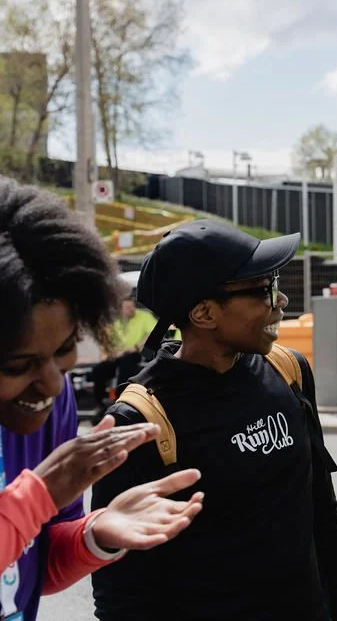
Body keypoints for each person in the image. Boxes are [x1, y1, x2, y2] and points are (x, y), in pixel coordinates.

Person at [91, 219, 337, 620]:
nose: (281, 299)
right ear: (203, 313)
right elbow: (122, 590)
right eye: (263, 289)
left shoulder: (288, 371)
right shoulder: (141, 419)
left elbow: (322, 510)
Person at [0, 178, 204, 621]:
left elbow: (31, 567)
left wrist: (96, 534)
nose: (53, 384)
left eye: (65, 349)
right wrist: (38, 497)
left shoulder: (48, 405)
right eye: (18, 365)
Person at [89, 288, 159, 422]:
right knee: (99, 369)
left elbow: (153, 333)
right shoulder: (115, 322)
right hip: (118, 356)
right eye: (127, 307)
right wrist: (111, 352)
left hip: (138, 353)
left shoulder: (144, 316)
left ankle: (121, 398)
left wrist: (135, 346)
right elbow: (107, 340)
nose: (131, 309)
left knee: (126, 363)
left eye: (132, 306)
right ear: (120, 309)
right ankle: (100, 402)